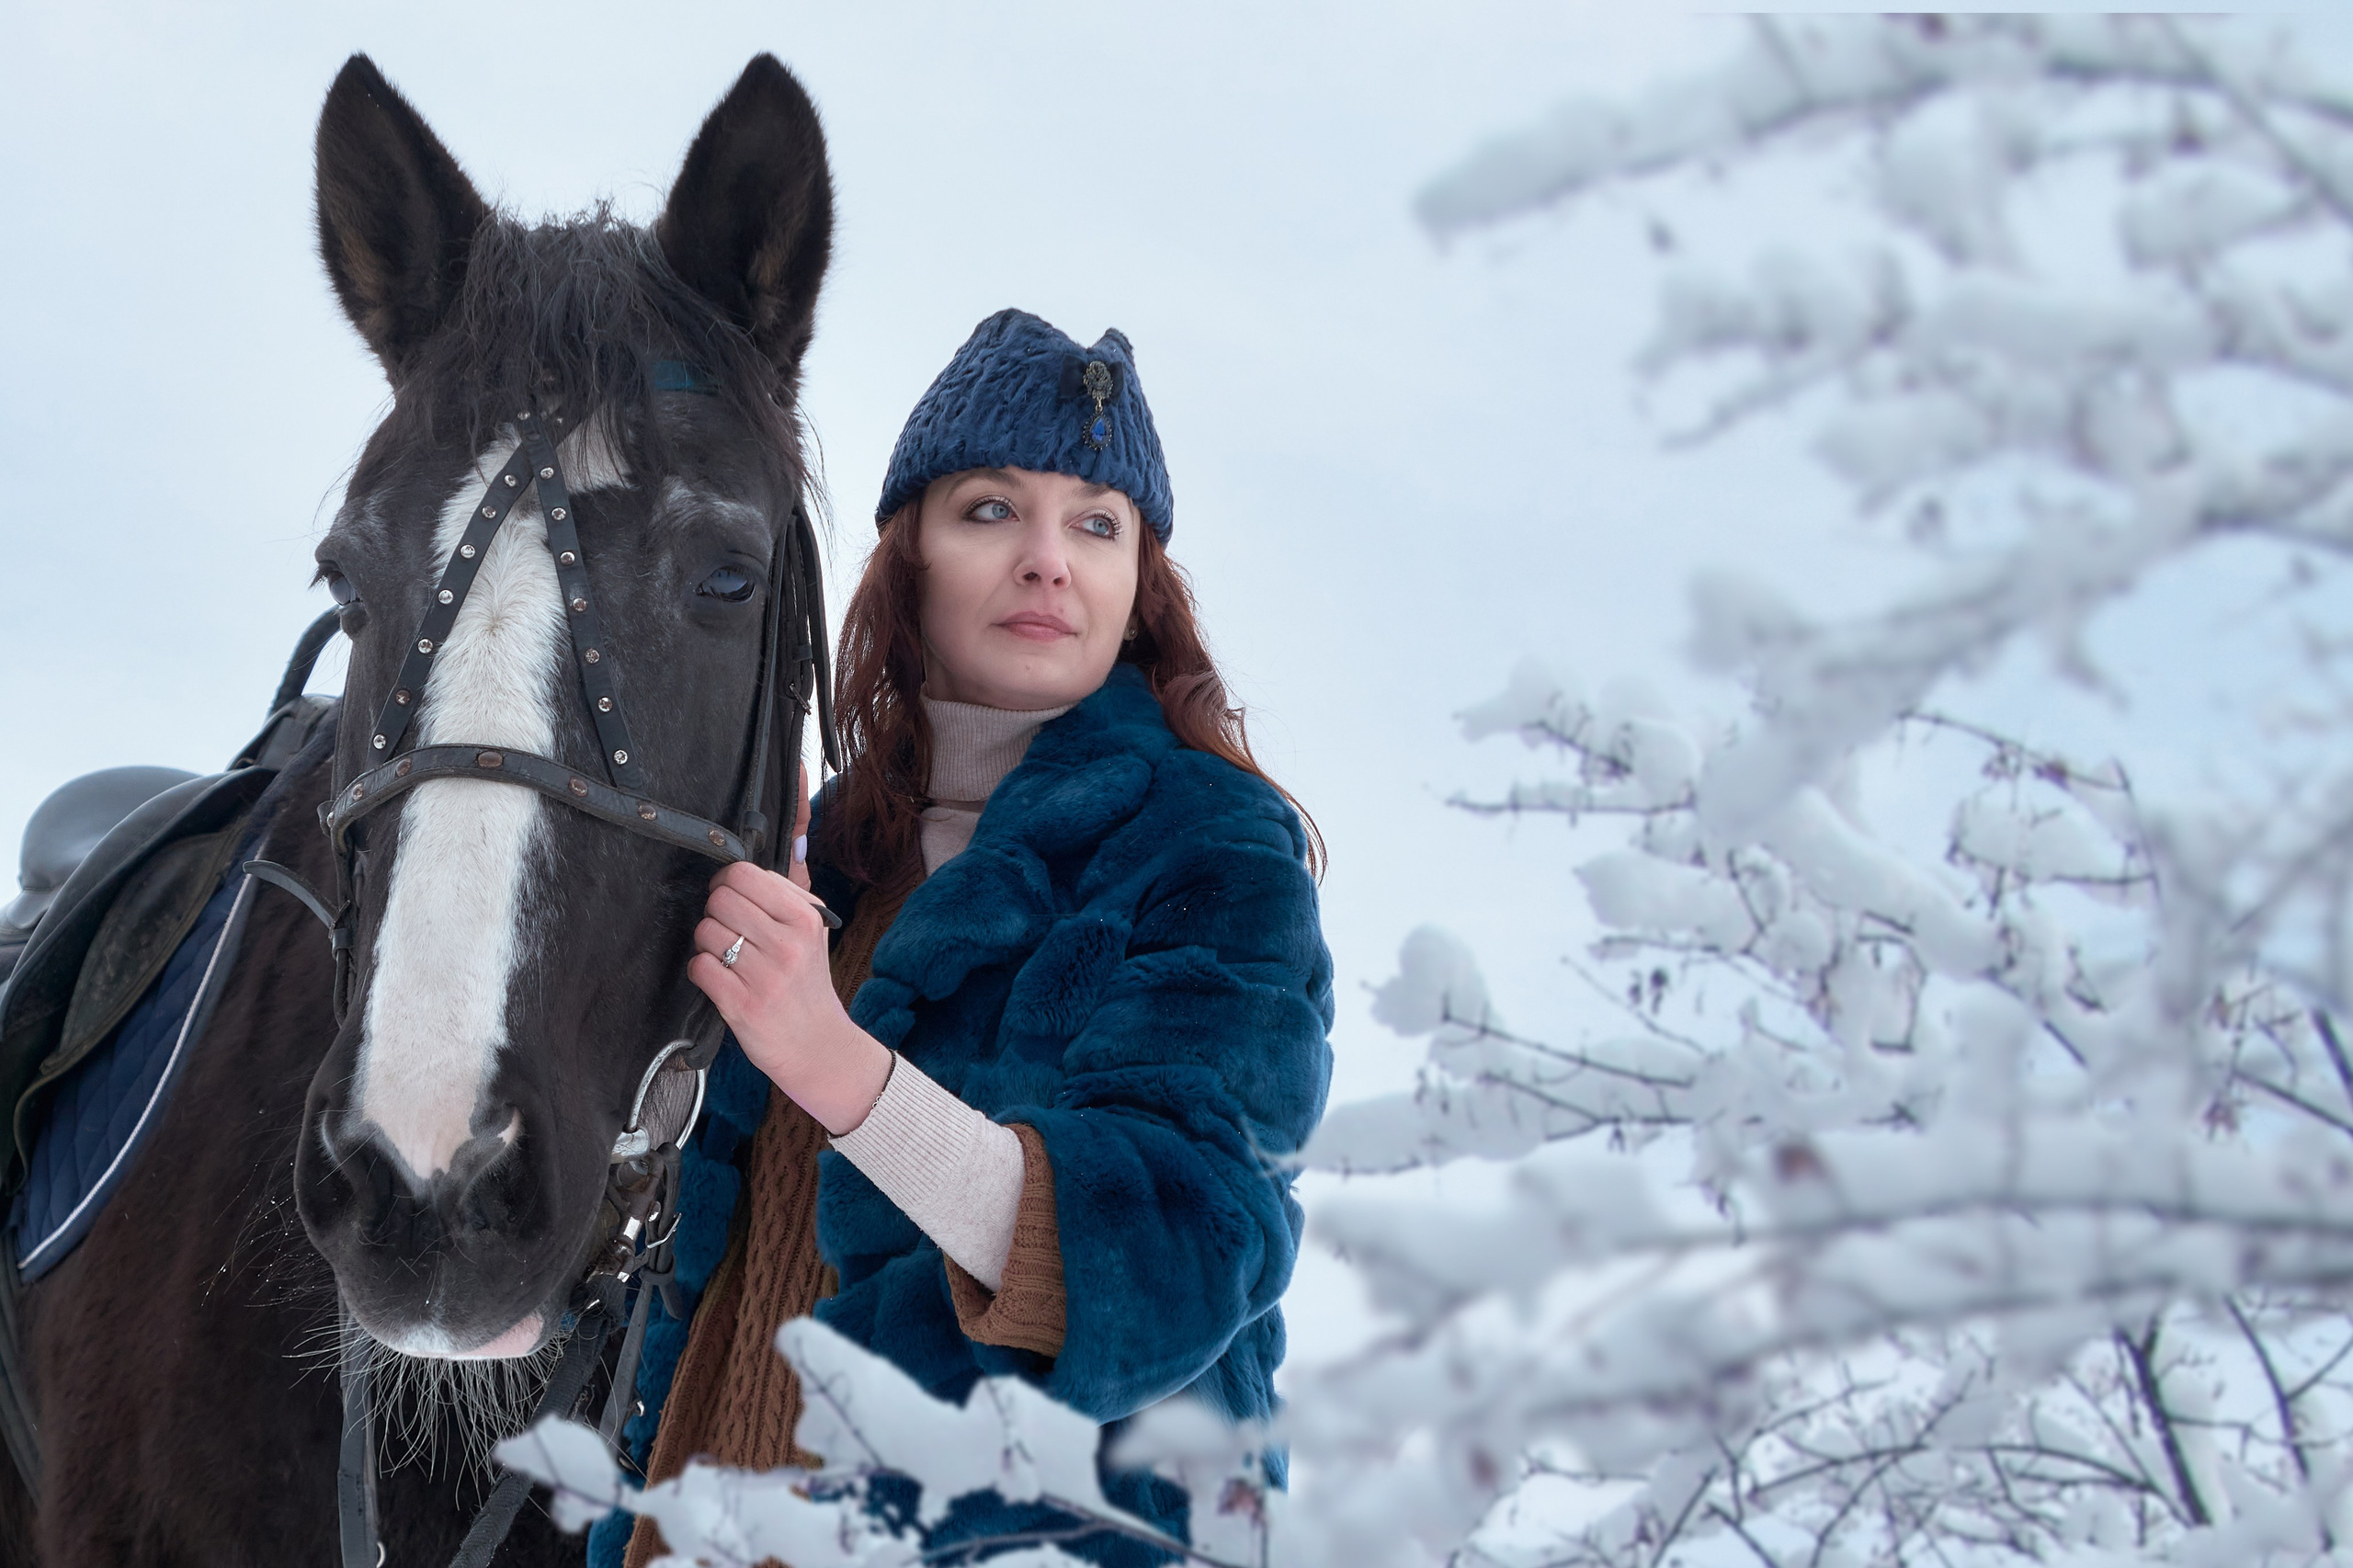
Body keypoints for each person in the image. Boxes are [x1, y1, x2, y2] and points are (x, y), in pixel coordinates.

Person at [615, 310, 1334, 1566]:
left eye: (1097, 523)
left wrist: (832, 1062)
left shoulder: (1213, 847)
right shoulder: (829, 854)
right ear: (911, 559)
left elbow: (1183, 1244)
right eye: (992, 509)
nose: (1049, 559)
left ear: (1136, 585)